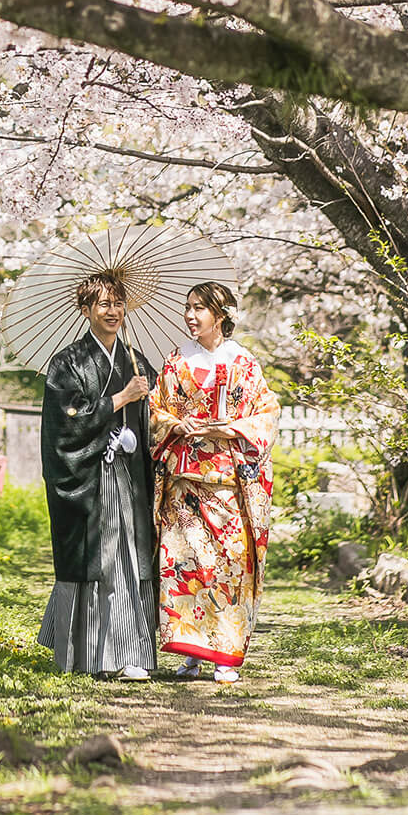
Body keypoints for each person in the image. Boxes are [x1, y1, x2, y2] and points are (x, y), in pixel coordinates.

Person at [149, 281, 279, 684]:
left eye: (199, 308)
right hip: (185, 481)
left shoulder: (244, 362)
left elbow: (267, 412)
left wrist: (231, 429)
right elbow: (156, 410)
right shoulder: (175, 361)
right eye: (188, 307)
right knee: (182, 565)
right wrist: (175, 422)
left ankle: (225, 652)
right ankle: (190, 651)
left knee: (227, 565)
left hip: (227, 480)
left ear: (221, 315)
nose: (190, 315)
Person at [37, 271, 159, 680]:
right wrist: (119, 399)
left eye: (118, 302)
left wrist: (144, 410)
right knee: (102, 555)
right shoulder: (66, 363)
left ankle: (129, 654)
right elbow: (64, 421)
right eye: (103, 304)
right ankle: (89, 653)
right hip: (90, 476)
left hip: (128, 476)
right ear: (85, 310)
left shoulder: (137, 361)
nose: (113, 311)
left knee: (127, 554)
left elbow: (156, 418)